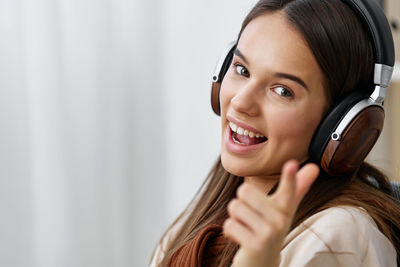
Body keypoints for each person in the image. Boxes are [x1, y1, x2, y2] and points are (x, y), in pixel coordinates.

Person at [151, 0, 400, 266]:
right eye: (242, 70)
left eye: (283, 91)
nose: (240, 102)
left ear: (340, 123)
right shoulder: (196, 223)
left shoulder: (338, 238)